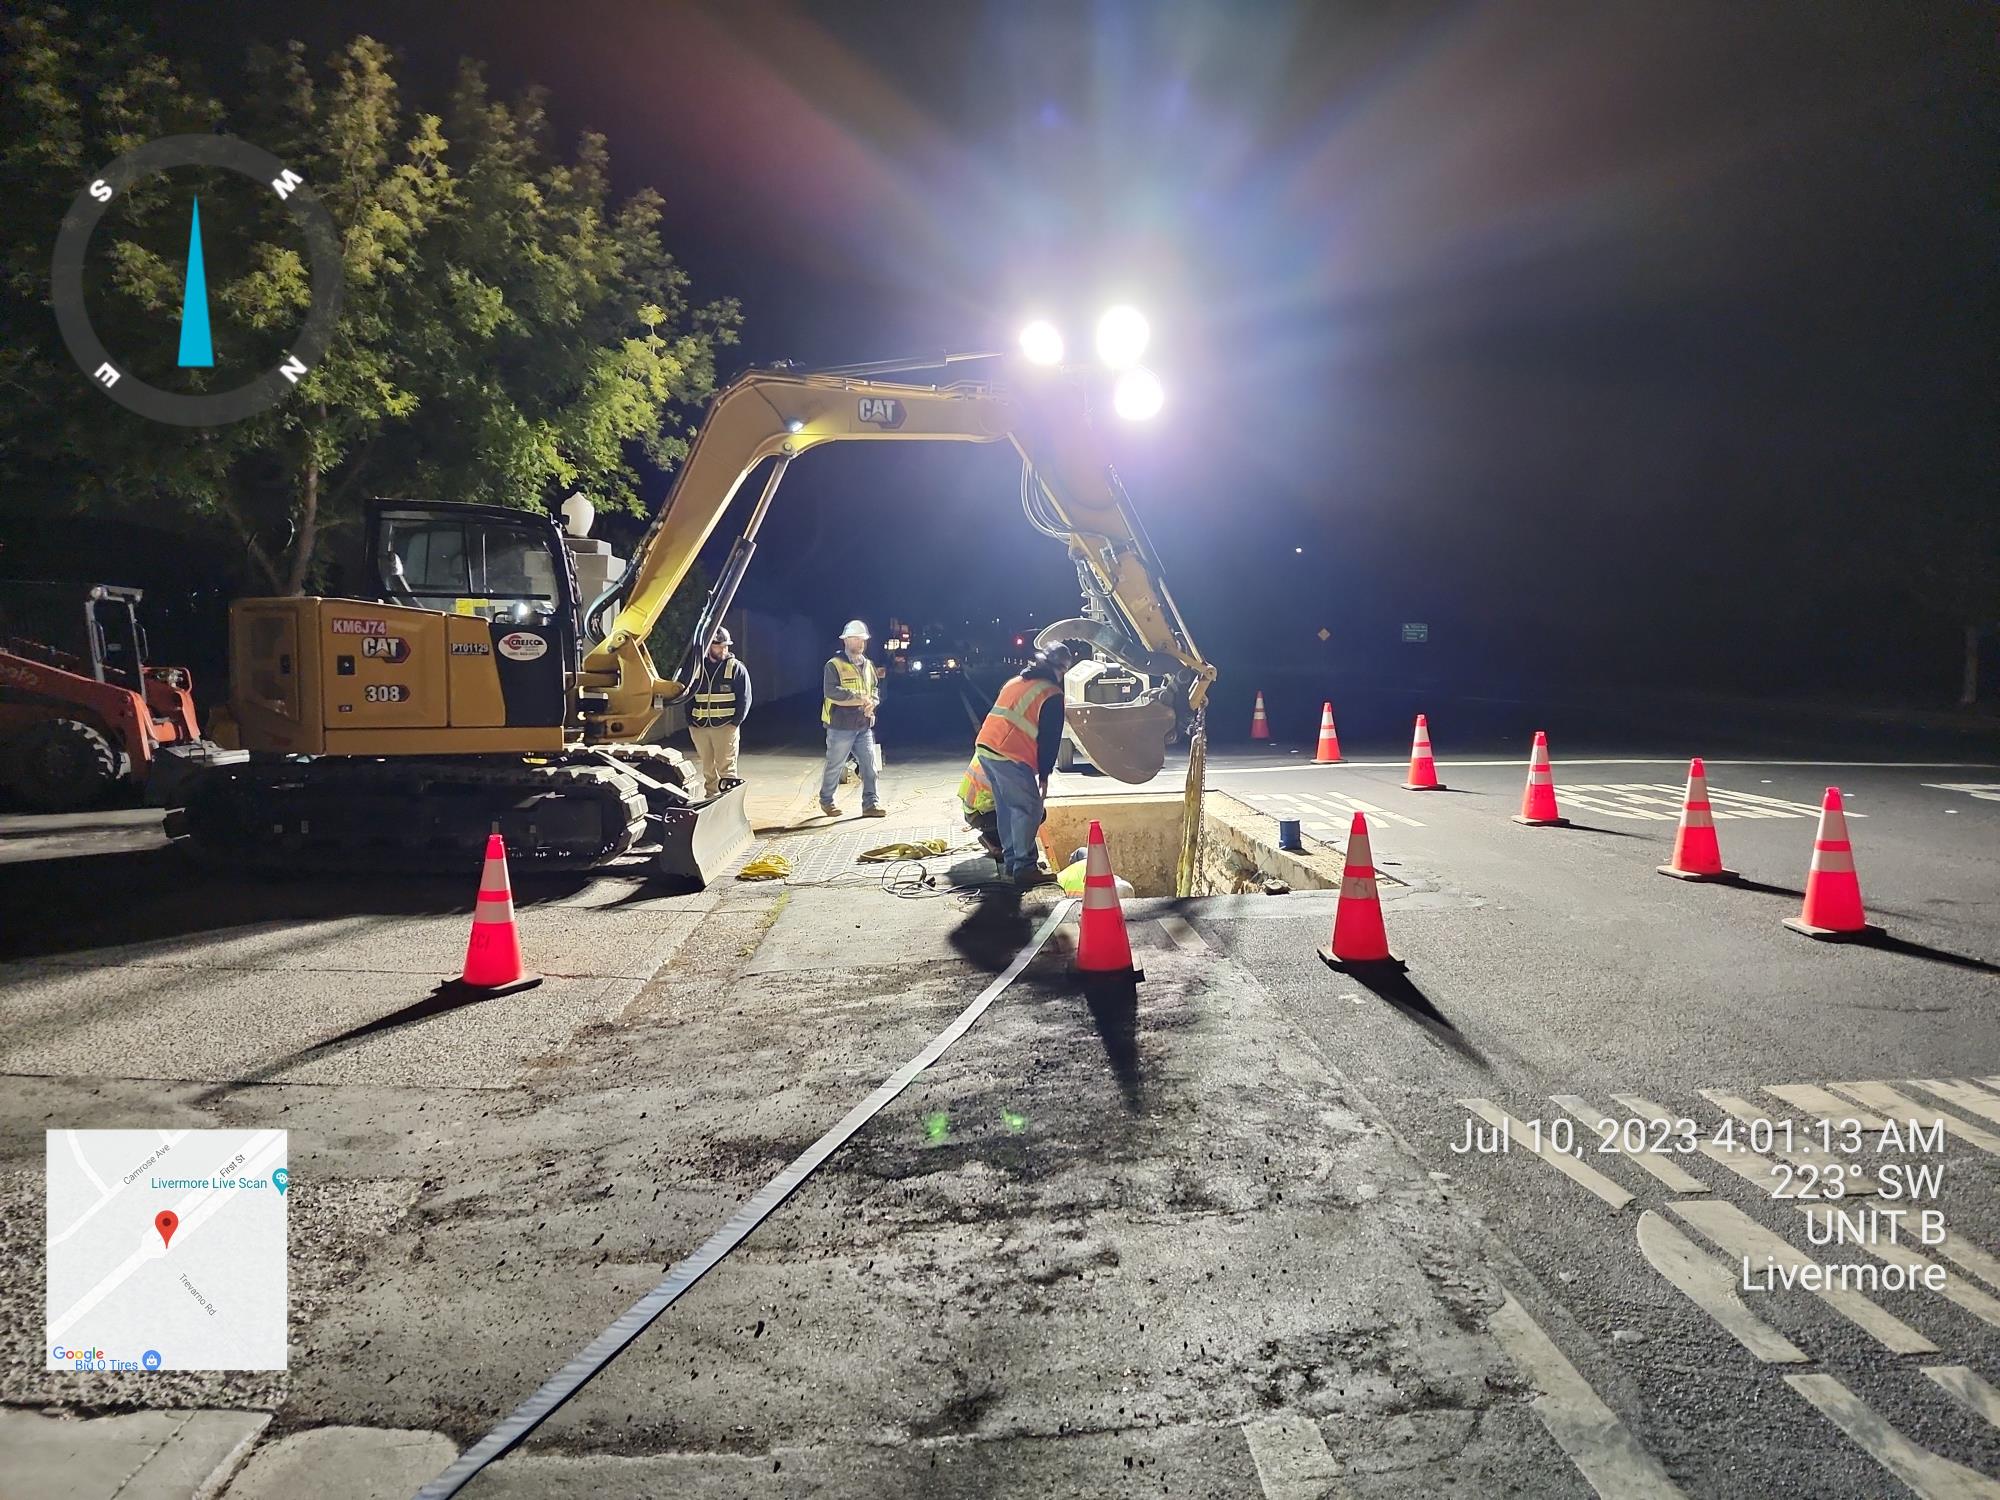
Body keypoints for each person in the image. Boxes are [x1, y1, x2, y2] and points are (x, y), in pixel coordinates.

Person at [970, 642, 1074, 883]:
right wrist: (1045, 776)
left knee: (1007, 808)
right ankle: (1025, 868)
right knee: (1028, 808)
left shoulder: (1015, 681)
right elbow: (1049, 740)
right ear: (1060, 670)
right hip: (1009, 754)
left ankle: (1012, 861)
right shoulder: (1051, 694)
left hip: (987, 748)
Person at [820, 619, 886, 818]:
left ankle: (870, 804)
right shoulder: (834, 665)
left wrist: (872, 702)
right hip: (840, 726)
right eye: (856, 639)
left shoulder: (868, 665)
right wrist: (860, 699)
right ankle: (826, 801)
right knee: (835, 765)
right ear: (846, 641)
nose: (861, 643)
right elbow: (832, 691)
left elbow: (874, 688)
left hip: (863, 725)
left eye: (862, 639)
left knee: (870, 767)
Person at [687, 627, 751, 797]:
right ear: (709, 646)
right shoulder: (697, 668)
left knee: (727, 769)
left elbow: (744, 698)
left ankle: (728, 803)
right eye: (719, 646)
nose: (724, 649)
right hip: (700, 727)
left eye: (725, 646)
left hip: (725, 727)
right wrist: (690, 723)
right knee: (708, 768)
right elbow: (688, 697)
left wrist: (734, 724)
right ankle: (711, 798)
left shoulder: (736, 668)